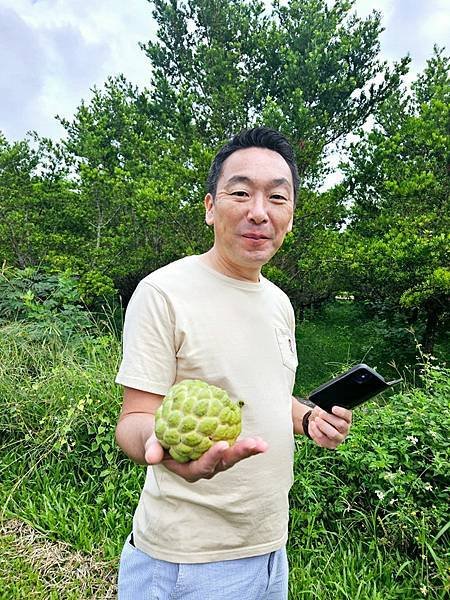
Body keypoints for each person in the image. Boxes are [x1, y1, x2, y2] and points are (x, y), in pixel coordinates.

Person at [115, 127, 352, 599]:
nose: (258, 212)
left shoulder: (279, 302)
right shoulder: (164, 292)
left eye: (277, 198)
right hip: (187, 561)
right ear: (209, 207)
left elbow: (264, 392)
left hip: (270, 549)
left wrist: (307, 418)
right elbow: (134, 419)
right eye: (240, 193)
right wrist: (164, 449)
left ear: (291, 215)